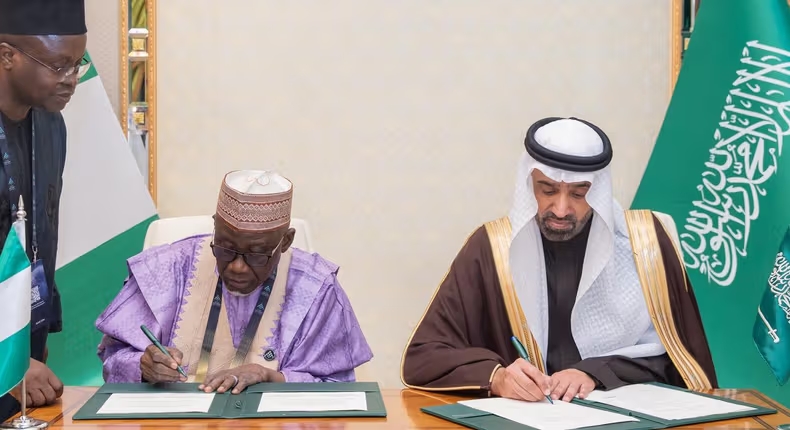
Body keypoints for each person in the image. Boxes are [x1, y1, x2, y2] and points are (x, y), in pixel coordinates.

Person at [400, 117, 718, 403]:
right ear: (529, 184)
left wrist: (596, 372)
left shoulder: (645, 243)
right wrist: (496, 377)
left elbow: (682, 361)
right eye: (548, 190)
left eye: (579, 194)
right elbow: (424, 356)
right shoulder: (492, 249)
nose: (562, 209)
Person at [96, 170, 373, 394]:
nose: (237, 267)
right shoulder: (166, 268)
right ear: (215, 227)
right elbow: (114, 359)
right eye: (226, 248)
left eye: (257, 254)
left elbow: (337, 388)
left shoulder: (316, 288)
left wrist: (271, 377)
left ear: (286, 241)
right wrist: (143, 366)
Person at [0, 0, 88, 420]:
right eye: (58, 66)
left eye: (77, 64)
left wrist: (36, 329)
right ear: (7, 56)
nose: (71, 80)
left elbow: (42, 229)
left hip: (24, 352)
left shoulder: (52, 125)